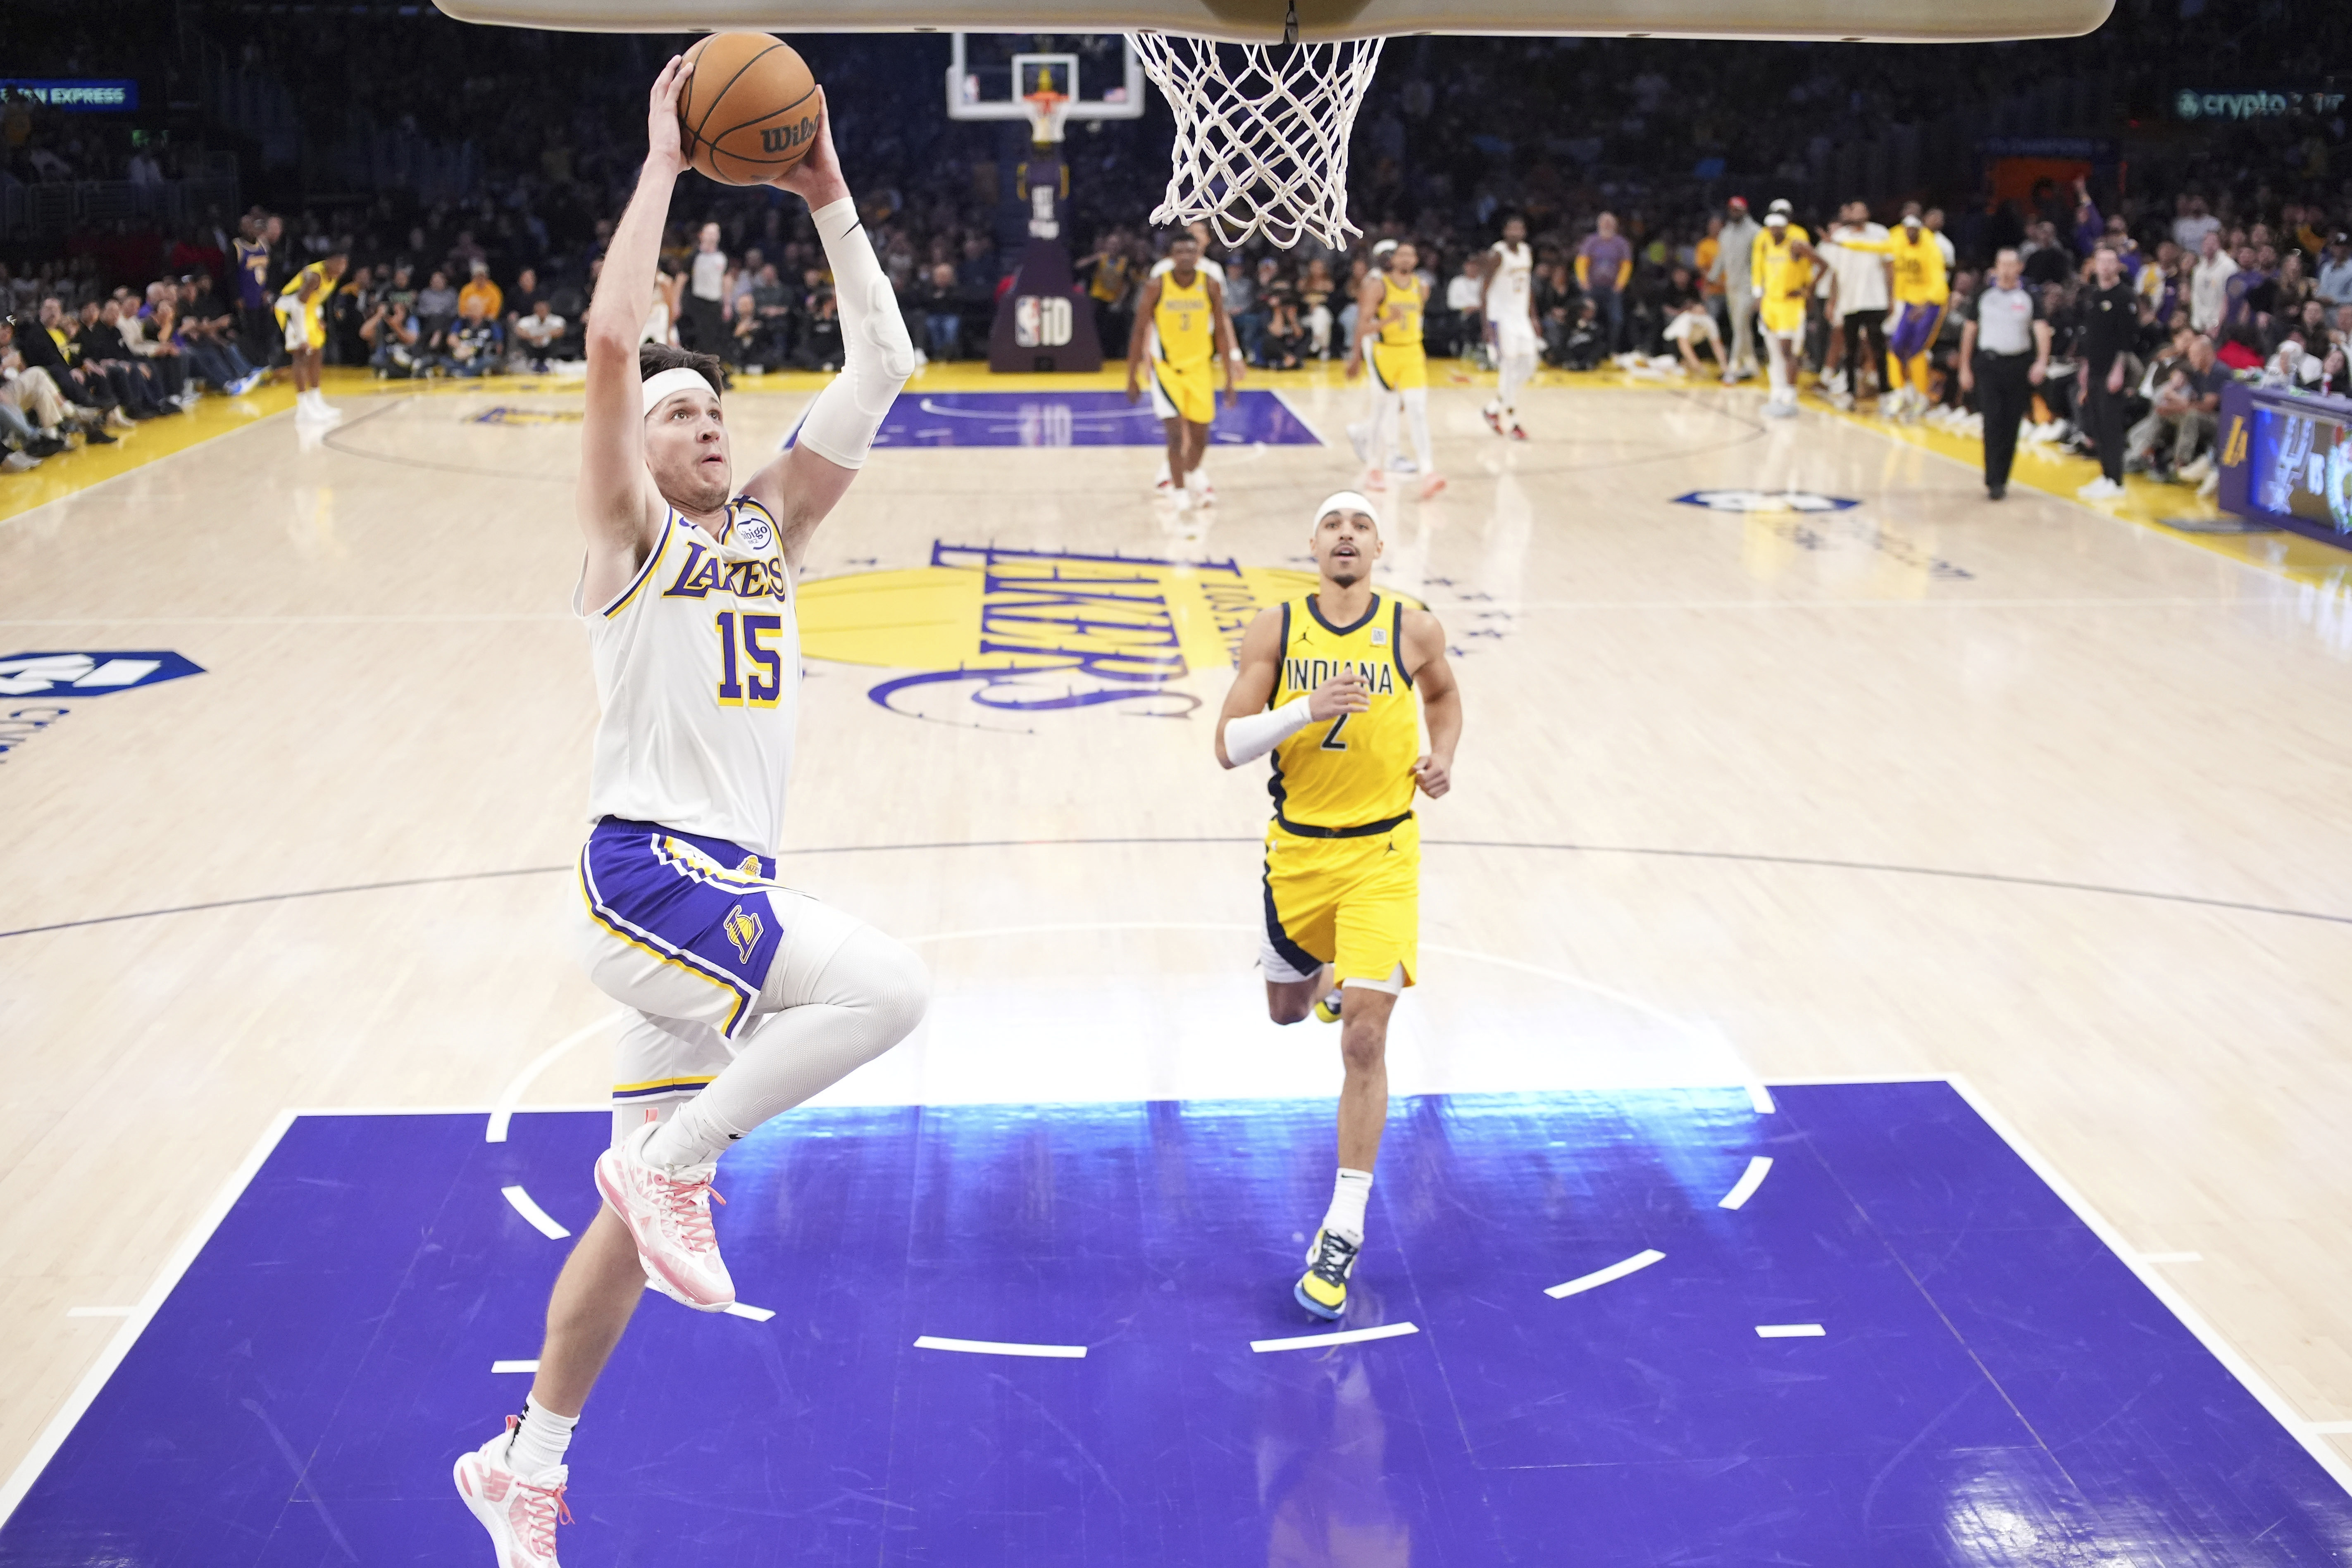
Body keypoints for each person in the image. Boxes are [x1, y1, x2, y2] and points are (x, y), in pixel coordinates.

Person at [452, 60, 926, 1568]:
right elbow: (610, 339)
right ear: (637, 449)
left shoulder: (774, 528)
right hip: (642, 872)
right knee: (889, 990)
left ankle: (523, 1465)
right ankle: (670, 1165)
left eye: (715, 404)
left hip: (706, 895)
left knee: (627, 1247)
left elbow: (887, 359)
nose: (706, 421)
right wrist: (665, 160)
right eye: (675, 410)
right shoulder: (627, 538)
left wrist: (826, 186)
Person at [1212, 491, 1461, 1323]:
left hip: (1384, 853)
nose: (1346, 535)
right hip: (1298, 854)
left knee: (1364, 1037)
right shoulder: (1276, 630)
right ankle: (1322, 984)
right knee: (1287, 1011)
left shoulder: (1412, 628)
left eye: (1360, 525)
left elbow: (1444, 699)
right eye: (1332, 524)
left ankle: (1341, 1231)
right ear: (1313, 546)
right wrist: (1303, 709)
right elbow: (1227, 745)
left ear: (1379, 546)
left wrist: (1442, 757)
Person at [1126, 230, 1237, 512]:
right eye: (1180, 252)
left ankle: (1190, 474)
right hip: (1168, 372)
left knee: (1200, 439)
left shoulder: (1210, 284)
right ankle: (1179, 491)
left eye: (1191, 251)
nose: (1186, 256)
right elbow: (1139, 331)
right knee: (1175, 435)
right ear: (1171, 256)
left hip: (1200, 368)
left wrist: (1229, 378)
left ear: (1198, 255)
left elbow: (1221, 331)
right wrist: (1132, 377)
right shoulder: (1157, 285)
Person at [1346, 240, 1444, 500]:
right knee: (1382, 411)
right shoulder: (1378, 286)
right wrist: (1357, 357)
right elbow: (1363, 325)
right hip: (1385, 354)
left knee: (1417, 410)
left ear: (1416, 260)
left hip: (1412, 352)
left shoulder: (1421, 287)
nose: (1406, 259)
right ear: (1393, 260)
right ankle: (1373, 467)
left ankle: (1428, 471)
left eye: (1411, 255)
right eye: (1401, 255)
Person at [1957, 248, 2052, 501]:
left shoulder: (2029, 296)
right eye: (2003, 264)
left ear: (2020, 267)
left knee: (2012, 422)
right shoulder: (1983, 295)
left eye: (2012, 265)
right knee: (1992, 420)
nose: (2007, 270)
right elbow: (1970, 330)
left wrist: (2042, 361)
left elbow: (2041, 329)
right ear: (1996, 267)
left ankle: (2003, 477)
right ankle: (1993, 479)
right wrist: (1965, 367)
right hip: (1989, 364)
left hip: (2018, 365)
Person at [2074, 244, 2137, 501]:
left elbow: (2127, 339)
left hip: (2113, 370)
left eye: (2111, 261)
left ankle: (2117, 480)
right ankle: (2105, 475)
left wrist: (2118, 370)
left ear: (2118, 266)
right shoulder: (2093, 295)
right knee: (2097, 423)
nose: (2106, 266)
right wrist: (2085, 366)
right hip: (2094, 368)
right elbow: (2089, 335)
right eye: (2101, 261)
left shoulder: (2125, 296)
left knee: (2111, 426)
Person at [1752, 200, 1814, 419]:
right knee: (1773, 350)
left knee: (1790, 350)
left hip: (1791, 302)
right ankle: (1777, 392)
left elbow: (1810, 265)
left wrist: (1807, 291)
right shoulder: (1763, 236)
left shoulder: (1798, 236)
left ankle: (1789, 393)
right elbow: (1758, 265)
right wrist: (1758, 294)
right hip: (1771, 301)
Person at [275, 247, 350, 423]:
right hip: (289, 310)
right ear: (328, 261)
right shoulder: (315, 277)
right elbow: (297, 305)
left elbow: (316, 300)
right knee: (301, 354)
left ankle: (316, 400)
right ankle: (303, 408)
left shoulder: (333, 277)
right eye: (338, 263)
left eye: (345, 264)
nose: (342, 268)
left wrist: (318, 317)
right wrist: (302, 338)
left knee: (317, 351)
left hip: (307, 311)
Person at [1481, 213, 1539, 439]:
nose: (1516, 232)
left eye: (1519, 229)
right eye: (1511, 229)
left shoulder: (1526, 251)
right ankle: (1513, 422)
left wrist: (1534, 316)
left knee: (1529, 364)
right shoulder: (1497, 254)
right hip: (1501, 318)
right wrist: (1486, 325)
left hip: (1521, 317)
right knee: (1509, 366)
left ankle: (1494, 407)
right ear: (1504, 232)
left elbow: (1527, 286)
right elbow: (1484, 290)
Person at [1712, 197, 1762, 382]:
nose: (1735, 212)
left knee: (1741, 326)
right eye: (1732, 209)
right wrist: (1711, 279)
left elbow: (1761, 263)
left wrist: (1761, 291)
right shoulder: (1726, 232)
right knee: (1741, 328)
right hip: (1731, 286)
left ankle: (1733, 367)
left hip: (1748, 287)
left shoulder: (1756, 232)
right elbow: (1721, 258)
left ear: (1745, 210)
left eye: (1738, 209)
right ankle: (1752, 365)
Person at [1576, 212, 1632, 354]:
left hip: (1613, 289)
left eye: (1610, 223)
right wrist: (1583, 281)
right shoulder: (1591, 241)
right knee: (1586, 318)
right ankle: (1586, 349)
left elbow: (1626, 265)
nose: (1607, 225)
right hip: (1592, 287)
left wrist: (1621, 284)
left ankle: (1612, 350)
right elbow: (1582, 262)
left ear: (1615, 226)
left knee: (1616, 319)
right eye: (1604, 222)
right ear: (1599, 225)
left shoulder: (1622, 243)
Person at [684, 221, 728, 354]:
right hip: (697, 301)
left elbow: (726, 281)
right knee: (697, 336)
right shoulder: (694, 256)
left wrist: (727, 304)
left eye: (715, 233)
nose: (712, 237)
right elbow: (682, 278)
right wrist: (676, 303)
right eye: (709, 233)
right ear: (702, 235)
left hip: (715, 302)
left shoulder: (722, 257)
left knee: (712, 337)